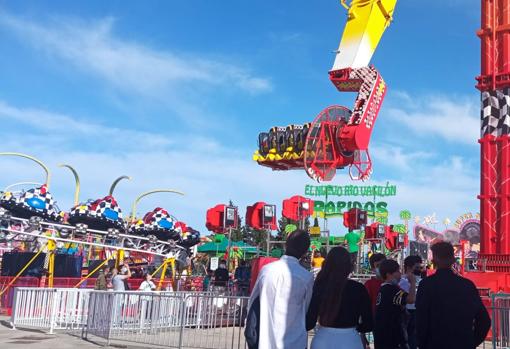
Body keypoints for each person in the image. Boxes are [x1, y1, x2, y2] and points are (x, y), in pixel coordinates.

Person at [416, 242, 490, 349]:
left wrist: (423, 344)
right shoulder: (467, 286)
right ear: (453, 260)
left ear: (434, 259)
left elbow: (421, 320)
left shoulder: (426, 285)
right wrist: (472, 342)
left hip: (435, 344)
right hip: (463, 343)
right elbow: (484, 320)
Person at [248, 229, 314, 349]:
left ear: (286, 245)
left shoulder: (266, 270)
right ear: (305, 252)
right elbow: (306, 309)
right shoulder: (306, 277)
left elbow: (253, 301)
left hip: (266, 340)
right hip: (295, 342)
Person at [306, 247, 373, 349]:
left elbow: (310, 321)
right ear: (349, 266)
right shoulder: (359, 288)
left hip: (323, 339)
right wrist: (356, 328)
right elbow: (368, 324)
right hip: (350, 340)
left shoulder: (320, 286)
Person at [374, 259, 416, 349]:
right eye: (397, 271)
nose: (400, 274)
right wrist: (413, 282)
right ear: (388, 274)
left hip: (382, 338)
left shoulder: (383, 289)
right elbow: (411, 299)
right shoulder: (391, 290)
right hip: (391, 339)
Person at [399, 256, 423, 349]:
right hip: (406, 311)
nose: (419, 270)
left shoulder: (421, 281)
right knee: (406, 338)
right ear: (408, 267)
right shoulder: (401, 281)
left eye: (420, 268)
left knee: (414, 338)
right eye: (416, 268)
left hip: (417, 312)